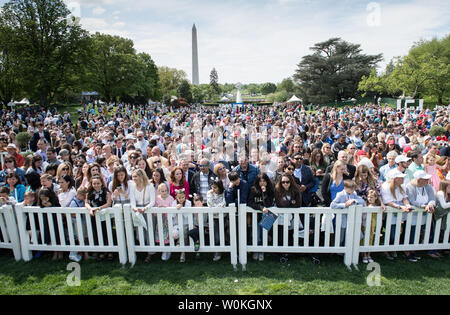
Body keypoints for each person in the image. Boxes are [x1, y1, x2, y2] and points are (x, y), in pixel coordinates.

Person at [380, 169, 416, 262]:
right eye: (400, 178)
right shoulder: (385, 186)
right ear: (395, 179)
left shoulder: (402, 186)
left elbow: (405, 198)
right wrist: (400, 207)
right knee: (390, 232)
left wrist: (407, 205)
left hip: (400, 211)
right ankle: (386, 250)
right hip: (391, 212)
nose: (403, 179)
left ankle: (393, 248)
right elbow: (388, 201)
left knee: (397, 231)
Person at [405, 170, 439, 258]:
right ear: (419, 179)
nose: (427, 180)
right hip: (413, 215)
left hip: (426, 214)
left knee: (429, 231)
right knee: (412, 233)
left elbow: (432, 198)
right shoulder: (409, 187)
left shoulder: (428, 186)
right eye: (425, 179)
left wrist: (431, 204)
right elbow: (412, 201)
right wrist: (424, 206)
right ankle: (410, 251)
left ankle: (431, 250)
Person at [246, 173, 275, 262]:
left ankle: (261, 251)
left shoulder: (270, 190)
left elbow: (269, 204)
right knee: (256, 234)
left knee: (264, 235)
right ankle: (256, 250)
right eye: (260, 181)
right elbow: (250, 202)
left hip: (267, 216)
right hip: (256, 216)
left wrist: (265, 192)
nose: (262, 183)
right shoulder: (253, 190)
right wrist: (261, 208)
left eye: (264, 181)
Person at [274, 174, 301, 262]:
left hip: (292, 217)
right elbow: (279, 204)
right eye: (283, 182)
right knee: (281, 235)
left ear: (291, 182)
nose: (285, 184)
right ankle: (280, 253)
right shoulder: (277, 190)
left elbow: (298, 204)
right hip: (280, 217)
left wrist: (288, 203)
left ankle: (289, 252)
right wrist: (291, 202)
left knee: (291, 234)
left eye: (287, 182)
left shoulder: (295, 190)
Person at [85, 174, 112, 261]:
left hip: (105, 215)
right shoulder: (89, 193)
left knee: (107, 233)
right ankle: (101, 252)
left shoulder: (106, 192)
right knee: (96, 233)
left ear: (101, 183)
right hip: (94, 216)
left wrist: (99, 208)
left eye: (98, 183)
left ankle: (110, 252)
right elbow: (86, 203)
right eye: (94, 183)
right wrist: (90, 209)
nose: (96, 185)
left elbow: (108, 203)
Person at [330, 180, 366, 245]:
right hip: (342, 220)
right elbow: (333, 205)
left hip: (351, 220)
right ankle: (338, 251)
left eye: (353, 189)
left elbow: (362, 201)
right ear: (345, 188)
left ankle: (347, 250)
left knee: (352, 236)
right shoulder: (340, 194)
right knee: (341, 237)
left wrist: (354, 200)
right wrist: (344, 205)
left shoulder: (354, 194)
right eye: (351, 189)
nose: (352, 190)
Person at [206, 179, 226, 262]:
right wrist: (211, 195)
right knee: (216, 235)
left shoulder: (224, 193)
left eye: (215, 187)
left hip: (222, 216)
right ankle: (217, 251)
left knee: (222, 234)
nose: (213, 189)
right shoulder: (209, 193)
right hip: (213, 217)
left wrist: (218, 208)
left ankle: (221, 250)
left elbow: (224, 203)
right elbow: (210, 204)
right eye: (212, 187)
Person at [171, 188, 192, 263]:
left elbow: (186, 216)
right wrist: (176, 209)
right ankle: (178, 243)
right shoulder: (174, 203)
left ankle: (182, 253)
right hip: (176, 224)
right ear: (176, 197)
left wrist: (182, 208)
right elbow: (172, 215)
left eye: (183, 197)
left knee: (184, 233)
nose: (181, 199)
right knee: (175, 234)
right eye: (179, 198)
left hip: (185, 223)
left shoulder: (188, 203)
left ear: (185, 196)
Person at [155, 183, 174, 261]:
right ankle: (163, 250)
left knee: (168, 234)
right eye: (162, 191)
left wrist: (165, 208)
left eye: (166, 191)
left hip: (168, 219)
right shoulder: (157, 198)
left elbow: (172, 210)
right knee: (160, 234)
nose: (164, 192)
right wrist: (158, 209)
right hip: (160, 220)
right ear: (159, 191)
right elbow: (155, 211)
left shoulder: (170, 198)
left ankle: (168, 250)